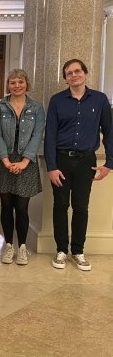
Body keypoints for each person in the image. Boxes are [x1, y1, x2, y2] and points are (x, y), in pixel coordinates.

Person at [45, 59, 112, 271]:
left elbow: (109, 132)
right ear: (65, 78)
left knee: (81, 206)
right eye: (69, 73)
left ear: (85, 73)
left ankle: (78, 250)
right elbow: (50, 136)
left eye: (77, 71)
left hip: (86, 161)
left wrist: (109, 163)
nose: (73, 75)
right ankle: (61, 250)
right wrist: (51, 166)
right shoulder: (57, 101)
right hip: (62, 160)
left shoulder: (100, 100)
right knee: (61, 206)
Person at [0, 69, 45, 266]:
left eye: (20, 82)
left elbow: (37, 135)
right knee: (6, 206)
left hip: (26, 161)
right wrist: (5, 160)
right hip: (3, 160)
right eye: (12, 82)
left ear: (26, 84)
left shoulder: (37, 108)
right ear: (8, 85)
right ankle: (8, 246)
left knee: (22, 207)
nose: (16, 85)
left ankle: (22, 247)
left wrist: (24, 161)